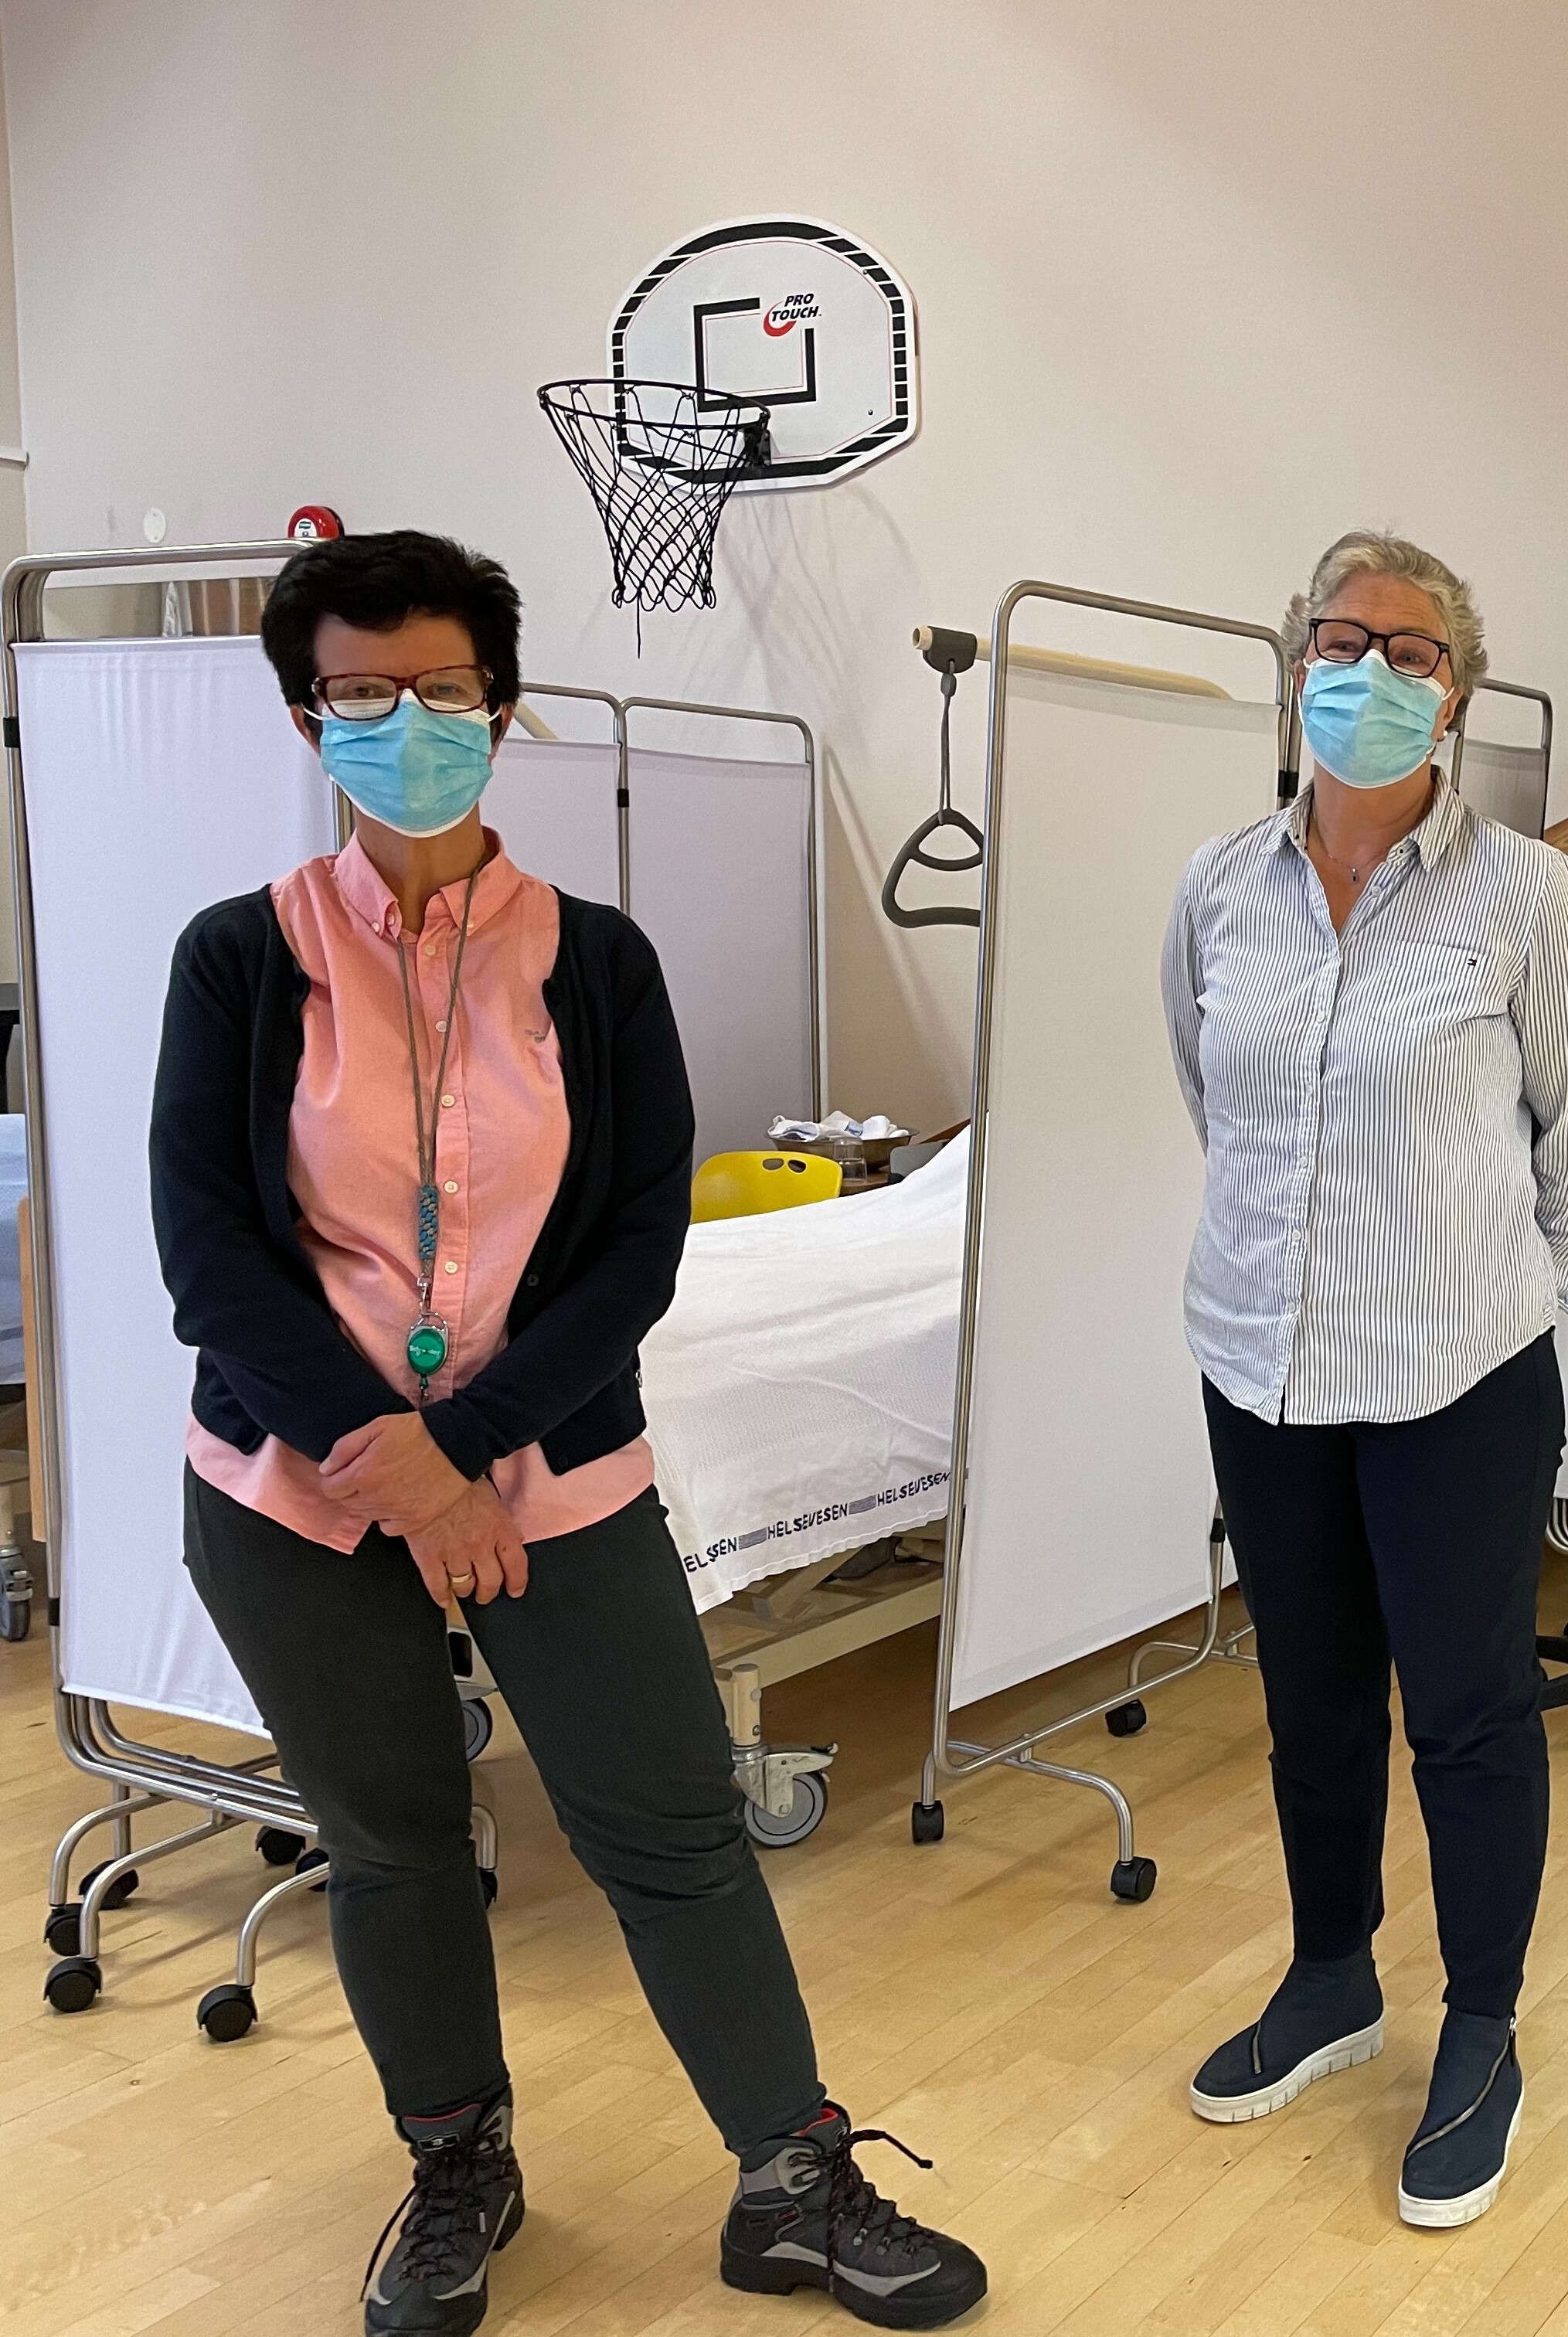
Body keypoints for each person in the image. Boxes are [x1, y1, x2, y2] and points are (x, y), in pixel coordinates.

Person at [151, 531, 987, 2337]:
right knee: (393, 1844)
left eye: (441, 689)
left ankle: (791, 2180)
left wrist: (468, 1451)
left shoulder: (596, 964)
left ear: (501, 705)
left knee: (674, 1831)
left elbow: (634, 1246)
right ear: (307, 718)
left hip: (556, 1472)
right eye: (360, 693)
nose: (405, 723)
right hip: (295, 1489)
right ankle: (460, 2166)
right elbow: (209, 1255)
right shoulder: (239, 960)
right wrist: (391, 1461)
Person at [1160, 529, 1568, 2227]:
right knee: (1309, 1696)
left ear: (1458, 694)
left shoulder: (1528, 899)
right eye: (1341, 638)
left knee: (1468, 1710)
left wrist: (1510, 1302)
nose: (1369, 669)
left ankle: (1482, 2029)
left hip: (1458, 1377)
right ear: (1299, 661)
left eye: (1411, 650)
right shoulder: (1222, 887)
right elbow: (1214, 1094)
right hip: (1264, 1366)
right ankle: (1331, 1974)